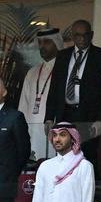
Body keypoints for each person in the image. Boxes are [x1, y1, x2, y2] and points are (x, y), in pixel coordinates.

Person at [45, 20, 101, 171]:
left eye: (85, 35)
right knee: (64, 157)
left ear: (91, 35)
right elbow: (54, 89)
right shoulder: (63, 56)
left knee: (86, 158)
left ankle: (86, 192)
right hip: (65, 114)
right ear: (72, 37)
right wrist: (49, 117)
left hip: (88, 116)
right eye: (78, 35)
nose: (82, 39)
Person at [18, 27, 62, 161]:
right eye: (40, 43)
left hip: (54, 132)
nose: (42, 46)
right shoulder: (32, 72)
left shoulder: (64, 70)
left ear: (57, 43)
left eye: (47, 42)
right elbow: (23, 106)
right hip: (32, 132)